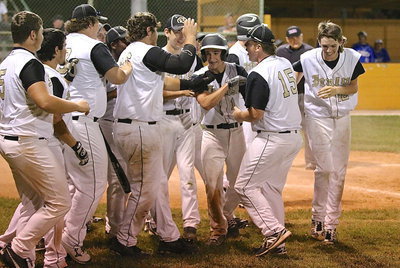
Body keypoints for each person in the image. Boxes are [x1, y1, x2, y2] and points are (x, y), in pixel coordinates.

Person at [0, 11, 89, 267]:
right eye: (39, 31)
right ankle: (18, 248)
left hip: (11, 139)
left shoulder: (6, 61)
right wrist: (77, 105)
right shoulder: (30, 63)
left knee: (35, 202)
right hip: (28, 141)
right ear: (32, 35)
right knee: (60, 202)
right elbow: (43, 100)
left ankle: (21, 256)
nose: (41, 35)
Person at [110, 11, 199, 256]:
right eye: (155, 30)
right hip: (139, 128)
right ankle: (124, 239)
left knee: (154, 184)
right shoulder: (143, 50)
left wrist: (191, 85)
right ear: (150, 31)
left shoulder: (131, 52)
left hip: (132, 126)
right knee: (145, 191)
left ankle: (168, 236)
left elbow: (161, 81)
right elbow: (180, 64)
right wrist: (190, 38)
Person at [61, 4, 132, 264]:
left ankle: (55, 240)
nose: (101, 28)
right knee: (92, 186)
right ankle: (71, 239)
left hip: (63, 121)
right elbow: (117, 76)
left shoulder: (65, 42)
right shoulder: (93, 46)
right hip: (84, 122)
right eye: (98, 23)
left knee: (71, 185)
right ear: (89, 23)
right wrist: (127, 67)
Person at [293, 21, 365, 244]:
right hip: (317, 117)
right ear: (319, 43)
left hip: (342, 117)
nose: (328, 50)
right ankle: (318, 219)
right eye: (324, 46)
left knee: (339, 172)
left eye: (332, 46)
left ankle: (331, 225)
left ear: (341, 42)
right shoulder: (307, 59)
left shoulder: (351, 58)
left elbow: (353, 87)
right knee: (324, 169)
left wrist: (337, 89)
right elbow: (293, 81)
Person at [233, 24, 302, 257]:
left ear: (259, 46)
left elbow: (255, 115)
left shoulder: (259, 72)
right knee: (271, 188)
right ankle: (278, 246)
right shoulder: (283, 62)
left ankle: (273, 231)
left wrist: (237, 114)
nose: (248, 48)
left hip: (272, 138)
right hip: (292, 138)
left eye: (250, 44)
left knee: (244, 185)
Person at [151, 14, 203, 242]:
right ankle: (154, 221)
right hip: (163, 121)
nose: (182, 36)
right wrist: (181, 91)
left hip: (187, 122)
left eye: (185, 31)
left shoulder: (192, 58)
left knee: (187, 174)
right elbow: (154, 94)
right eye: (177, 31)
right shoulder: (156, 57)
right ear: (167, 32)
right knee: (160, 176)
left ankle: (191, 223)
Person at [194, 33, 248, 246]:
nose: (212, 57)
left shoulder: (238, 71)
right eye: (208, 53)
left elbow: (252, 96)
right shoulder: (199, 75)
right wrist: (227, 87)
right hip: (211, 134)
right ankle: (218, 230)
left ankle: (226, 215)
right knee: (213, 184)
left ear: (223, 53)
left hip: (236, 132)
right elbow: (206, 103)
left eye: (216, 52)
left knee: (240, 182)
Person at [99, 25, 130, 238]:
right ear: (113, 45)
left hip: (123, 124)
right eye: (123, 41)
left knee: (120, 177)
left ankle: (116, 224)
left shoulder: (125, 62)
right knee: (117, 177)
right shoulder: (106, 66)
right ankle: (115, 228)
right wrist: (121, 89)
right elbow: (102, 96)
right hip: (107, 123)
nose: (127, 44)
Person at [276, 25, 315, 170]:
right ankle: (282, 161)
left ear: (302, 36)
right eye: (291, 38)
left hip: (305, 94)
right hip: (287, 96)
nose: (295, 40)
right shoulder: (280, 51)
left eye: (297, 37)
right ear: (287, 39)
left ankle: (312, 161)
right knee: (284, 128)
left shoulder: (309, 51)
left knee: (308, 129)